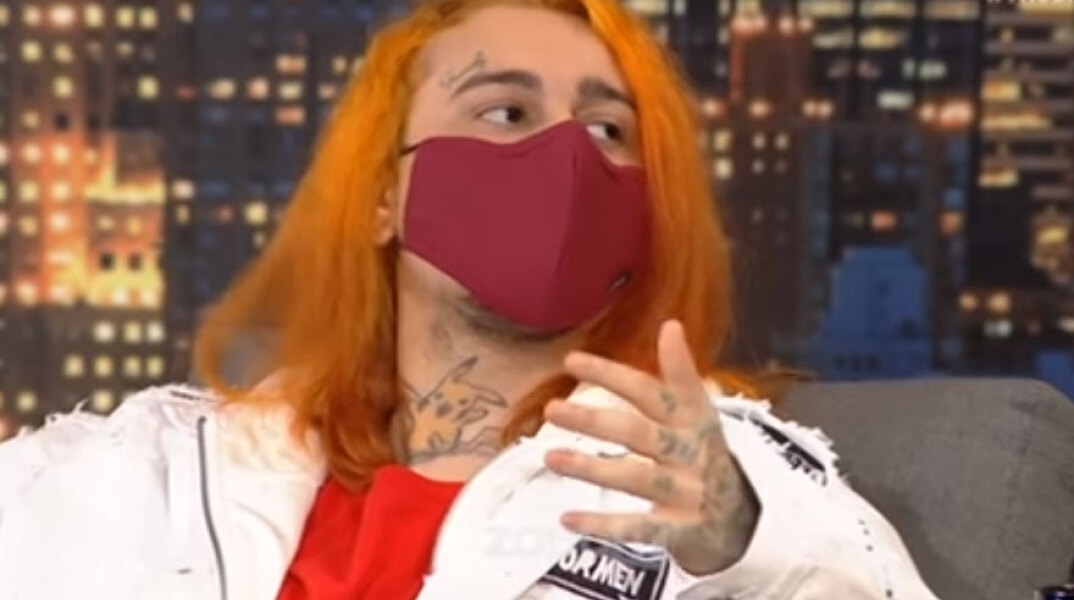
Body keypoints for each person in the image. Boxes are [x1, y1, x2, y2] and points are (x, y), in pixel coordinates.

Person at [0, 1, 941, 599]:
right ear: (385, 194)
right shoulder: (167, 463)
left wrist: (745, 544)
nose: (566, 159)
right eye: (505, 112)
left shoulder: (721, 479)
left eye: (608, 130)